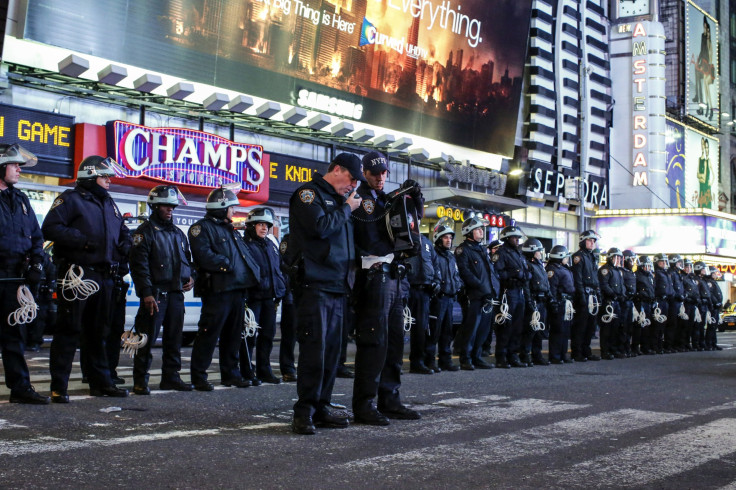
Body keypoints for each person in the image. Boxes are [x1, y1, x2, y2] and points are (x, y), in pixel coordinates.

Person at [43, 155, 132, 402]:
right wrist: (82, 240)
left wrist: (125, 242)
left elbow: (122, 231)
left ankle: (100, 382)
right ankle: (59, 386)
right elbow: (50, 228)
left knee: (98, 333)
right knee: (69, 330)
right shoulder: (70, 199)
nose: (108, 181)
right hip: (78, 276)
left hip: (105, 277)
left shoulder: (109, 203)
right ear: (90, 177)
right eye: (104, 177)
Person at [287, 152, 363, 435]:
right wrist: (345, 208)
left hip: (338, 286)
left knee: (332, 354)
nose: (353, 185)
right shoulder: (309, 194)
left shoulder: (343, 201)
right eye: (351, 178)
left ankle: (321, 406)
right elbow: (319, 228)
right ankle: (304, 411)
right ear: (338, 169)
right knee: (314, 351)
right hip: (315, 285)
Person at [352, 151, 423, 425]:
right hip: (373, 276)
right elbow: (362, 240)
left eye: (383, 173)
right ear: (364, 173)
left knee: (394, 341)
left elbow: (406, 230)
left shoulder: (385, 200)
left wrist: (415, 201)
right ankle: (365, 404)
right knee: (374, 342)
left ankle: (390, 399)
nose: (380, 178)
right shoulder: (358, 200)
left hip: (394, 274)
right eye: (374, 173)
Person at [188, 186, 259, 391]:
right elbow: (204, 255)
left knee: (233, 335)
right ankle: (199, 376)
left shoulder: (230, 230)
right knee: (209, 334)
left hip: (236, 290)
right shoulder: (201, 228)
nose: (234, 211)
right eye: (231, 207)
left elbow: (244, 256)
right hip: (217, 290)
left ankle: (231, 374)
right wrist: (228, 264)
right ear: (221, 207)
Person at [129, 185, 195, 395]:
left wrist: (192, 277)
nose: (170, 209)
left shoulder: (178, 233)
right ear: (155, 206)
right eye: (165, 205)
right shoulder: (144, 232)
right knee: (145, 340)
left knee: (174, 341)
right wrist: (146, 293)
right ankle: (140, 380)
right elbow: (139, 266)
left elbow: (188, 261)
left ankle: (171, 378)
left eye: (172, 206)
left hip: (176, 295)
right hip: (156, 295)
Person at [0, 143, 49, 404]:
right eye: (14, 164)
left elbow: (37, 236)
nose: (19, 169)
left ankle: (20, 389)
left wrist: (36, 264)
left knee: (15, 337)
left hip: (15, 279)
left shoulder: (21, 199)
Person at [241, 207, 287, 384]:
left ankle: (264, 370)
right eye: (260, 224)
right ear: (251, 225)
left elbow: (279, 269)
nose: (264, 228)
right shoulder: (244, 245)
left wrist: (281, 289)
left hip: (270, 297)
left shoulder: (271, 244)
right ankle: (247, 371)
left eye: (267, 225)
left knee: (267, 336)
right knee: (249, 337)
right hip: (252, 298)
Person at [454, 217, 498, 370]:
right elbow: (466, 273)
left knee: (483, 329)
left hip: (487, 295)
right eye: (478, 229)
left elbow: (490, 273)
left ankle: (476, 356)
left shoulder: (482, 249)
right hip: (474, 296)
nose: (481, 231)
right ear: (469, 232)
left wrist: (493, 290)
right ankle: (465, 358)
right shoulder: (463, 250)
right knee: (471, 328)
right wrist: (482, 289)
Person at [406, 217, 441, 374]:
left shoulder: (426, 242)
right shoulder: (402, 238)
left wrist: (436, 281)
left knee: (420, 329)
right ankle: (393, 363)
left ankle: (417, 362)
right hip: (407, 288)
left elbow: (435, 263)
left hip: (424, 290)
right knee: (399, 328)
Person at [492, 225, 530, 367]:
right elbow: (497, 273)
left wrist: (524, 275)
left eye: (518, 238)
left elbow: (526, 271)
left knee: (517, 326)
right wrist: (513, 275)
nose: (517, 240)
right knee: (505, 326)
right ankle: (501, 357)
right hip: (508, 292)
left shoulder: (519, 254)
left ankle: (513, 355)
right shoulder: (501, 253)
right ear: (507, 238)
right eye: (515, 237)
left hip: (519, 292)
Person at [429, 224, 463, 372]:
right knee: (433, 332)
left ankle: (445, 360)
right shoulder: (433, 254)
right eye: (445, 237)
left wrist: (458, 285)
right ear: (438, 238)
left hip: (450, 299)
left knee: (447, 332)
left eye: (450, 237)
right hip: (438, 299)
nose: (449, 240)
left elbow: (456, 275)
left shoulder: (451, 256)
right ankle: (429, 361)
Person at [571, 230, 601, 362]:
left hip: (592, 294)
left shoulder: (592, 257)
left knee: (591, 326)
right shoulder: (578, 257)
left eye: (594, 241)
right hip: (584, 293)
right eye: (590, 240)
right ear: (583, 241)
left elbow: (595, 277)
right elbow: (577, 279)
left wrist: (598, 294)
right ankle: (577, 352)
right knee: (580, 326)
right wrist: (581, 296)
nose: (592, 243)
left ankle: (586, 351)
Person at [521, 238, 550, 366]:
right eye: (538, 251)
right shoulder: (528, 265)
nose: (540, 253)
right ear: (532, 252)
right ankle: (525, 354)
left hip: (542, 300)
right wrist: (529, 302)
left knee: (539, 331)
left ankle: (537, 354)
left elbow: (545, 284)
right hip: (533, 299)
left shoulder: (540, 265)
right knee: (530, 330)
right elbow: (526, 286)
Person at [546, 245, 574, 364]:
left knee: (565, 330)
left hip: (566, 302)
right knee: (557, 330)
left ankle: (563, 354)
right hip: (559, 302)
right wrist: (554, 303)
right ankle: (555, 356)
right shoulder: (553, 270)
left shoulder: (563, 268)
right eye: (566, 257)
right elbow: (552, 288)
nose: (567, 259)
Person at [597, 248, 625, 360]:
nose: (618, 260)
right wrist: (613, 294)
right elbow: (604, 284)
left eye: (619, 258)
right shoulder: (605, 270)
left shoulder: (618, 270)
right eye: (616, 258)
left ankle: (614, 349)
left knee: (616, 328)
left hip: (617, 302)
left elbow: (622, 285)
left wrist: (622, 295)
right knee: (607, 328)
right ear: (610, 258)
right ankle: (605, 351)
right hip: (608, 302)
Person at [278, 234, 298, 383]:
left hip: (312, 292)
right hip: (293, 292)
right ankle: (288, 368)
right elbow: (283, 265)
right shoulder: (290, 239)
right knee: (289, 335)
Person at [652, 253, 673, 354]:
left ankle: (660, 345)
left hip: (666, 301)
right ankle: (655, 346)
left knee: (663, 325)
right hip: (659, 300)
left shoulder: (666, 273)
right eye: (662, 261)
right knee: (657, 325)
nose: (664, 263)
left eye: (665, 261)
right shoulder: (656, 273)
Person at [634, 255, 655, 355]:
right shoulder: (637, 275)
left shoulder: (649, 276)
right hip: (640, 302)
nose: (649, 268)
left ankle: (645, 347)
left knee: (647, 325)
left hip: (648, 302)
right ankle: (635, 347)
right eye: (647, 266)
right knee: (638, 326)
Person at [619, 250, 638, 357]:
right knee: (623, 326)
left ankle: (627, 348)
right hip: (624, 301)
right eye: (631, 260)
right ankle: (621, 349)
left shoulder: (630, 272)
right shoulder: (621, 272)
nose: (633, 262)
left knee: (629, 326)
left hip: (630, 301)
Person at [667, 254, 686, 352]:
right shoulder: (670, 273)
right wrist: (677, 295)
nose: (680, 264)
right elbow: (671, 287)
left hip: (679, 302)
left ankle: (677, 344)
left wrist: (683, 294)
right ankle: (670, 345)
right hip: (673, 301)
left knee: (680, 324)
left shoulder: (677, 273)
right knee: (672, 324)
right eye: (678, 262)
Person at [704, 266, 723, 350]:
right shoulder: (709, 282)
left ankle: (713, 343)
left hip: (716, 306)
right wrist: (716, 302)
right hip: (712, 306)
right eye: (714, 273)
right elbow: (711, 294)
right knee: (711, 326)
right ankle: (709, 343)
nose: (716, 275)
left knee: (714, 326)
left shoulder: (713, 282)